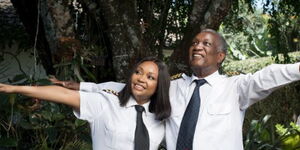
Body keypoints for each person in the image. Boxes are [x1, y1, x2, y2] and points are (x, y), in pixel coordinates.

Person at [51, 29, 300, 150]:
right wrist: (85, 87)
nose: (198, 46)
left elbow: (270, 75)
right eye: (195, 43)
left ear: (220, 56)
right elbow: (129, 88)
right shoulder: (172, 86)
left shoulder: (236, 88)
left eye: (206, 43)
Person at [0, 56, 172, 150]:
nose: (141, 79)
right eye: (138, 72)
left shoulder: (161, 116)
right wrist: (14, 89)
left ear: (160, 86)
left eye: (150, 77)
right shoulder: (106, 102)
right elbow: (63, 94)